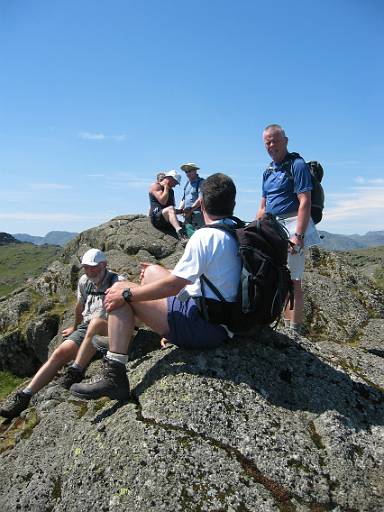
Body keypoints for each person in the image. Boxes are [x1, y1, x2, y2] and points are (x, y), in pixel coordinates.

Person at [70, 173, 242, 401]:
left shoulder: (205, 237)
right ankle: (122, 332)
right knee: (150, 272)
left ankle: (114, 373)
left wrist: (128, 293)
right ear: (233, 203)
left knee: (118, 291)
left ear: (202, 201)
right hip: (224, 317)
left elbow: (174, 285)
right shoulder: (237, 230)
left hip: (204, 327)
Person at [0, 249, 124, 419]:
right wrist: (75, 327)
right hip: (87, 327)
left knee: (94, 323)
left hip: (109, 328)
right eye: (86, 268)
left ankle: (75, 371)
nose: (90, 271)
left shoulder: (117, 281)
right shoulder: (84, 281)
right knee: (59, 353)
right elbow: (80, 307)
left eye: (94, 267)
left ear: (104, 265)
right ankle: (24, 396)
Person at [256, 124, 320, 333]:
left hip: (292, 225)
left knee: (293, 280)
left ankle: (295, 330)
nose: (271, 145)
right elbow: (263, 206)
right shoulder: (267, 171)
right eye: (268, 142)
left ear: (285, 141)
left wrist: (298, 235)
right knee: (275, 278)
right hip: (272, 226)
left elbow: (305, 202)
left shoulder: (297, 165)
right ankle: (283, 326)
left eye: (275, 140)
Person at [148, 170, 188, 244]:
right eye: (175, 182)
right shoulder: (156, 186)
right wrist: (166, 187)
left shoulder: (171, 191)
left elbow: (172, 211)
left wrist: (182, 211)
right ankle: (181, 234)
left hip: (166, 219)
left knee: (187, 226)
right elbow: (162, 201)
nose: (175, 185)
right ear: (170, 178)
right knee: (170, 209)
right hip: (157, 219)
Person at [178, 162, 205, 229]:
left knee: (199, 233)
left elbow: (200, 199)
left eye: (189, 171)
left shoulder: (201, 182)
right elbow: (184, 198)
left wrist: (190, 210)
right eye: (186, 172)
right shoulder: (187, 183)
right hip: (187, 214)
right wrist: (180, 210)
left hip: (198, 214)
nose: (187, 173)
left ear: (195, 171)